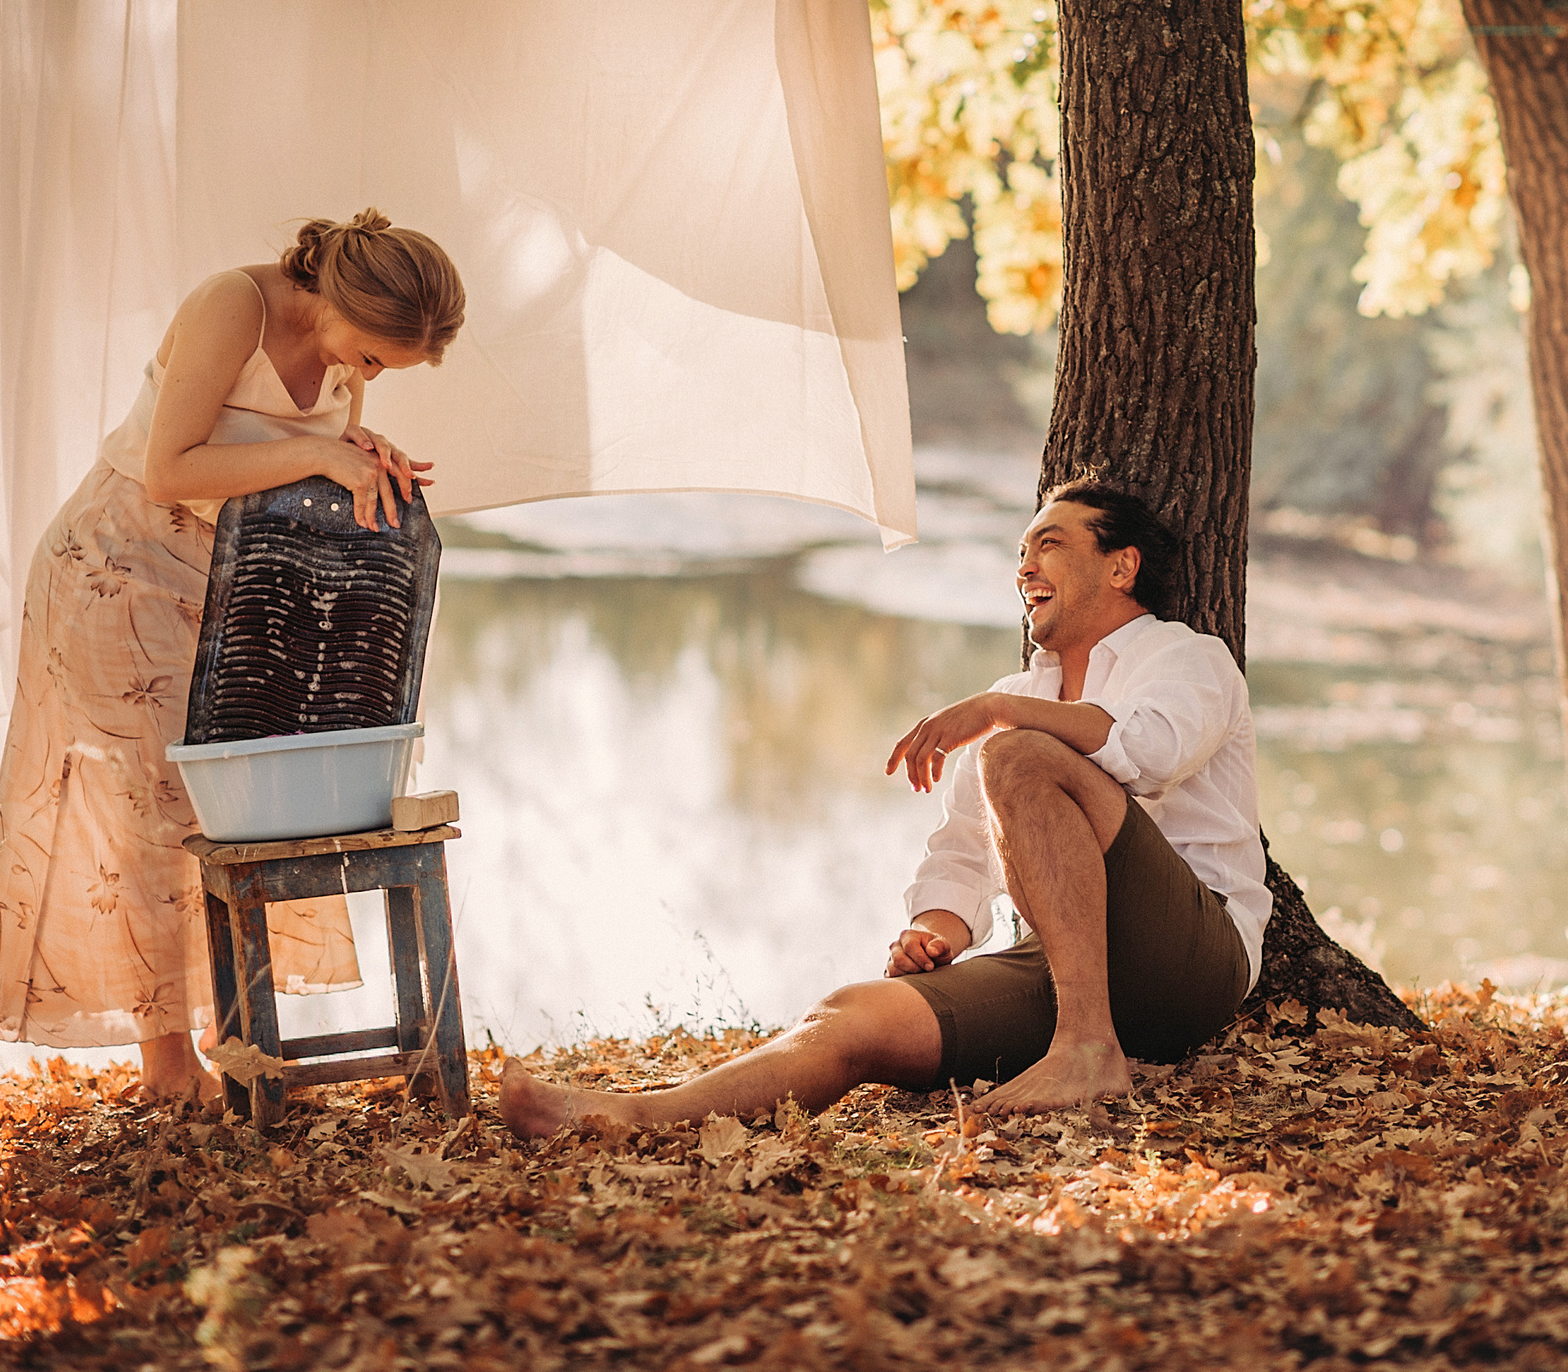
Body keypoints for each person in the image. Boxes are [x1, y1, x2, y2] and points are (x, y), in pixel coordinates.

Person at [501, 481, 1269, 1132]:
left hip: (1190, 962)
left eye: (1051, 544)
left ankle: (1087, 1053)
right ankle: (633, 1115)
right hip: (1067, 968)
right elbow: (968, 847)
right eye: (1021, 553)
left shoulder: (1186, 658)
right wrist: (936, 928)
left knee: (1019, 754)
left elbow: (1153, 752)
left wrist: (997, 710)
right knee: (853, 1013)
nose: (1025, 567)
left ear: (1122, 566)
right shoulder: (1029, 697)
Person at [0, 209, 466, 1103]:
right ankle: (166, 1065)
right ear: (341, 295)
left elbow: (288, 460)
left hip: (227, 579)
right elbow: (171, 469)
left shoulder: (345, 349)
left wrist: (355, 453)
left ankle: (242, 1037)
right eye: (375, 356)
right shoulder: (236, 305)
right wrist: (315, 447)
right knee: (155, 811)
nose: (366, 374)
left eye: (383, 370)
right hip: (118, 565)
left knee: (240, 803)